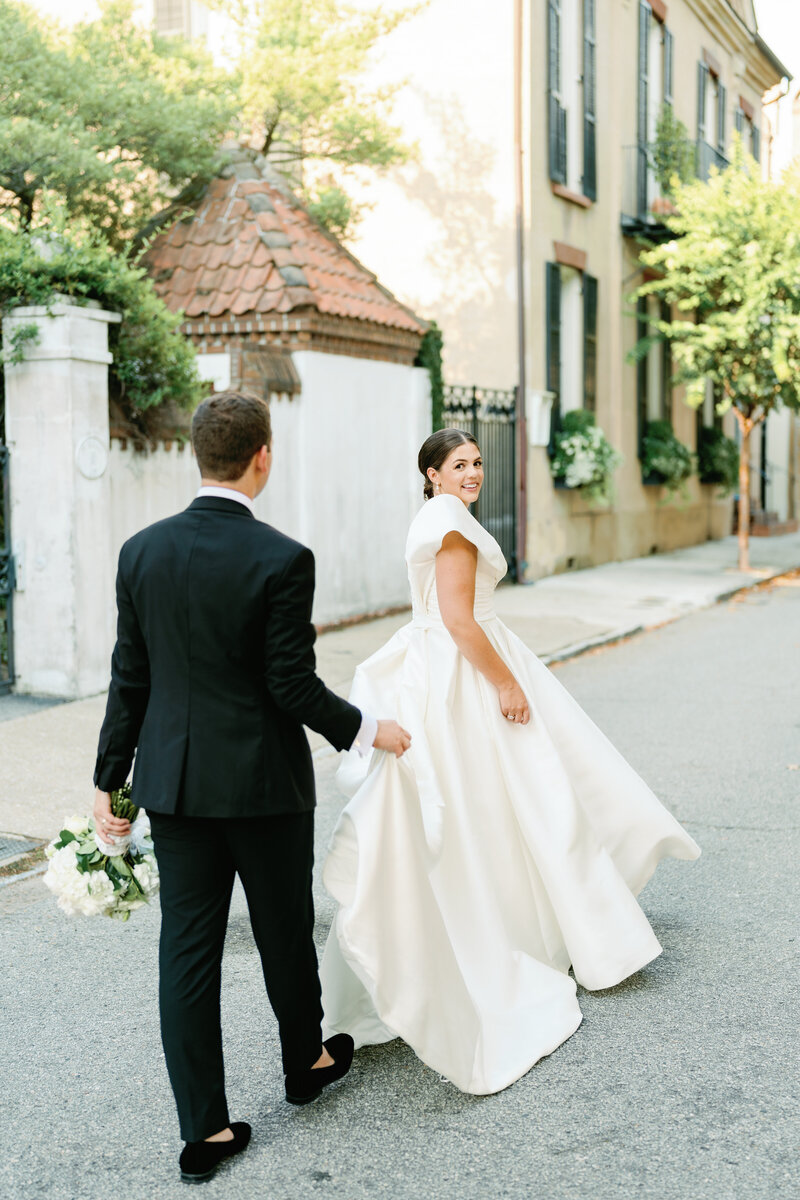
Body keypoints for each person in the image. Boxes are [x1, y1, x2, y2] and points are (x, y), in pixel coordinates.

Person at [319, 428, 701, 1095]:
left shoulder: (441, 517)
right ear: (431, 474)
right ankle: (549, 928)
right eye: (458, 465)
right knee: (535, 800)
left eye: (477, 463)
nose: (472, 472)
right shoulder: (452, 527)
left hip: (449, 665)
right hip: (469, 671)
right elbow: (461, 621)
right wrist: (505, 682)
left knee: (510, 802)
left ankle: (533, 918)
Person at [92, 391, 410, 1184]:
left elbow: (129, 677)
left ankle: (204, 1134)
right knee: (282, 932)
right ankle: (304, 1064)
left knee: (186, 953)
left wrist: (110, 782)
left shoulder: (141, 552)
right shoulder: (282, 558)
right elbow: (290, 686)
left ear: (195, 456)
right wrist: (372, 728)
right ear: (262, 456)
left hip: (175, 787)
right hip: (264, 787)